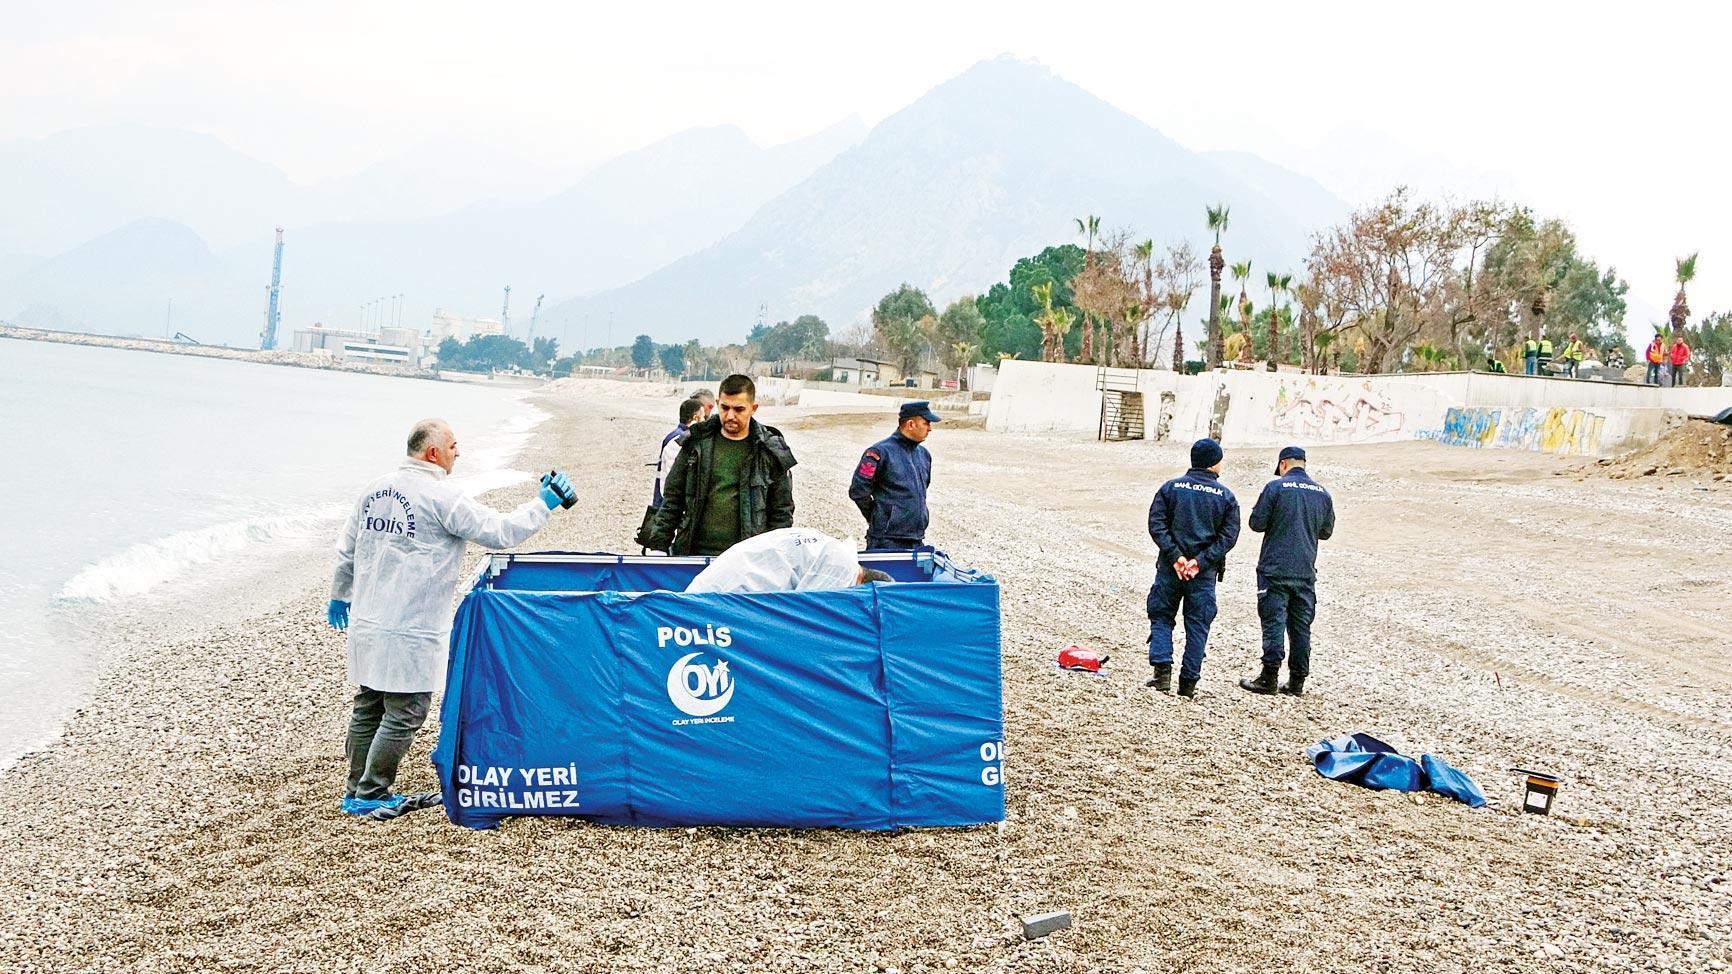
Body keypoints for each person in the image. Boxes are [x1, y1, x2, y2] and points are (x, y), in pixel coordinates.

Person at [327, 419, 573, 817]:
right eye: (454, 445)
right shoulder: (443, 498)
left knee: (369, 702)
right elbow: (500, 531)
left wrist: (340, 595)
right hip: (411, 624)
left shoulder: (375, 490)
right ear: (432, 453)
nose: (459, 452)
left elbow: (346, 550)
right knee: (406, 709)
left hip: (369, 619)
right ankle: (371, 793)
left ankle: (355, 788)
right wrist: (543, 504)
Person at [645, 373, 796, 556]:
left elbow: (781, 514)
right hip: (692, 555)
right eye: (725, 407)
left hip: (747, 561)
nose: (730, 415)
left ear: (753, 408)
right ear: (717, 403)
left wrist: (775, 557)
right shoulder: (695, 443)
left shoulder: (770, 451)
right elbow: (672, 500)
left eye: (739, 409)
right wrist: (659, 547)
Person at [1145, 438, 1240, 699]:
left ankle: (1161, 674)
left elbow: (1157, 524)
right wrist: (1200, 562)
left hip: (1169, 569)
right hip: (1204, 574)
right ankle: (1188, 685)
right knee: (1198, 625)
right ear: (1215, 463)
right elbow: (1228, 537)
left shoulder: (1170, 488)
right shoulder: (1226, 497)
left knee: (1162, 616)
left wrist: (1176, 557)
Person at [1240, 446, 1335, 697]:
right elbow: (1326, 532)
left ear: (1283, 464)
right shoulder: (1322, 493)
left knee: (1273, 622)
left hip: (1275, 568)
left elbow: (1256, 523)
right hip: (1305, 570)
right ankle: (1297, 681)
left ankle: (1269, 677)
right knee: (1301, 627)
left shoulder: (1275, 488)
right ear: (1303, 464)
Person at [684, 527, 893, 593]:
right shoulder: (840, 572)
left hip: (727, 573)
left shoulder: (834, 551)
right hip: (729, 590)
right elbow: (810, 617)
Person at [849, 401, 940, 550]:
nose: (930, 429)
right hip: (886, 540)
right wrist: (878, 517)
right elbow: (858, 491)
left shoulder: (924, 455)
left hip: (916, 539)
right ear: (911, 424)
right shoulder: (878, 453)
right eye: (926, 423)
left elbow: (921, 491)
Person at [653, 398, 703, 507]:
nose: (704, 420)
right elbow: (675, 481)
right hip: (669, 505)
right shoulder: (680, 440)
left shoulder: (674, 435)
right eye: (703, 417)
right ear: (696, 418)